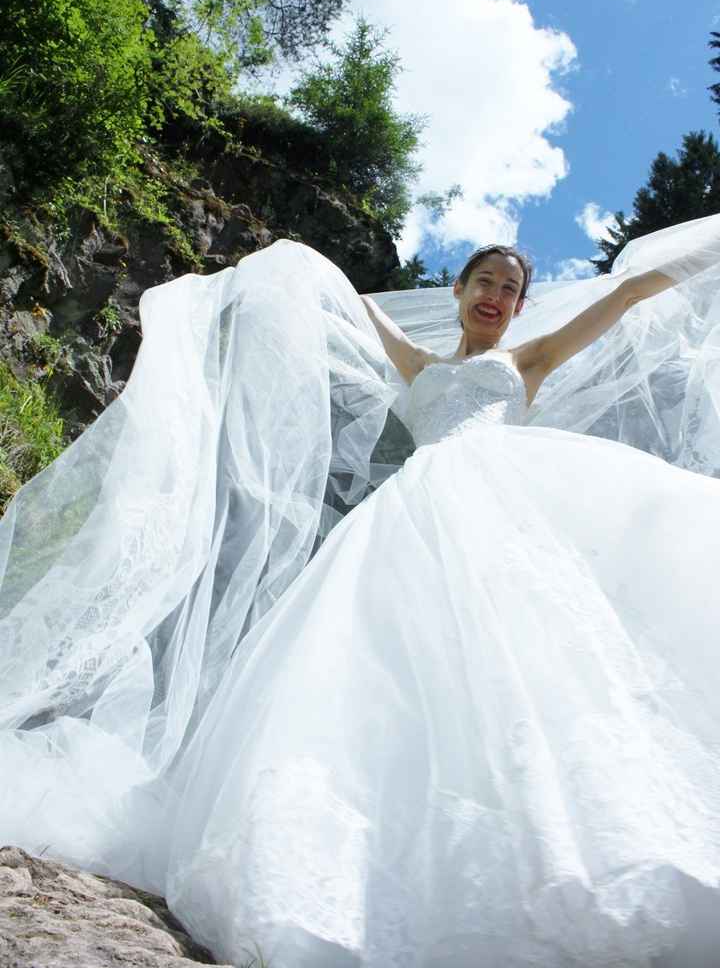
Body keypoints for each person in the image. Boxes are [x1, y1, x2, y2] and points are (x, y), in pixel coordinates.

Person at [3, 216, 720, 967]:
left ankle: (558, 850)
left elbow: (633, 292)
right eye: (486, 281)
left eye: (512, 289)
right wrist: (305, 260)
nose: (498, 296)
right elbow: (356, 310)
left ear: (519, 307)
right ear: (460, 290)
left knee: (524, 665)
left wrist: (702, 258)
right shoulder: (416, 364)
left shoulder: (533, 359)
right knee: (389, 675)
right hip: (409, 519)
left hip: (499, 510)